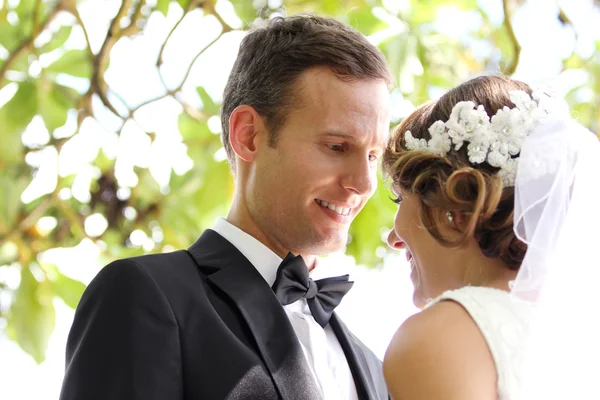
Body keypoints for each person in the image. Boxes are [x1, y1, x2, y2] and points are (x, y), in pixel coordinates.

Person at [59, 15, 392, 400]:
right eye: (336, 147)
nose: (365, 184)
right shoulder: (146, 296)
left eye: (372, 155)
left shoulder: (374, 368)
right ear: (248, 135)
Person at [381, 75, 600, 399]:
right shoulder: (581, 340)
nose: (392, 239)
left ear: (451, 206)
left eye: (400, 199)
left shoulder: (438, 340)